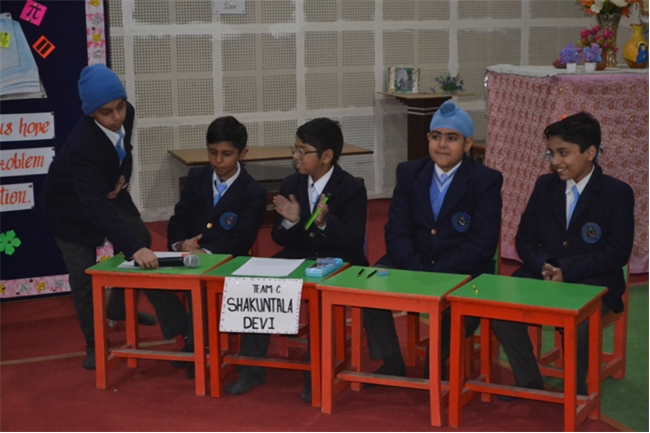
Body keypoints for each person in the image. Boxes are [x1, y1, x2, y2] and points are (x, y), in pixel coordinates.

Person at [42, 64, 187, 370]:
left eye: (120, 107)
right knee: (84, 276)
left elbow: (125, 149)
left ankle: (124, 310)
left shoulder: (126, 113)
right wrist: (133, 249)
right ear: (91, 113)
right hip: (68, 210)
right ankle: (95, 344)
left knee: (142, 239)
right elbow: (94, 207)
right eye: (106, 112)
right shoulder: (82, 145)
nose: (117, 116)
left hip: (106, 190)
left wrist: (122, 177)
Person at [491, 111, 634, 399]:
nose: (555, 161)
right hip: (542, 272)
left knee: (580, 321)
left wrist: (566, 271)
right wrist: (545, 265)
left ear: (590, 153)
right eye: (551, 153)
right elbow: (525, 239)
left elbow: (617, 253)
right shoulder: (544, 186)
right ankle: (529, 379)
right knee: (500, 308)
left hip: (594, 281)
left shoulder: (617, 193)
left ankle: (575, 390)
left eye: (563, 153)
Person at [225, 118, 368, 403]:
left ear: (327, 156)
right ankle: (252, 368)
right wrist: (290, 222)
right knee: (255, 283)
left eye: (303, 151)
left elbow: (352, 240)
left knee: (322, 294)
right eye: (295, 149)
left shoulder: (351, 187)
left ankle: (315, 374)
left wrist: (323, 223)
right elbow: (279, 237)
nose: (295, 156)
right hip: (300, 256)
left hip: (340, 260)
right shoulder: (292, 183)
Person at [362, 100, 503, 382]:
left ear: (467, 143)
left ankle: (437, 361)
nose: (442, 145)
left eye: (452, 138)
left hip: (464, 268)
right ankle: (391, 360)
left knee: (465, 304)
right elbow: (396, 229)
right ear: (428, 139)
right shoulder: (409, 172)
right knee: (370, 288)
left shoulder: (485, 180)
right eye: (436, 137)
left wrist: (440, 273)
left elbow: (483, 242)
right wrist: (416, 268)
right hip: (414, 261)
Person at [166, 115, 267, 378]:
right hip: (189, 254)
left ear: (242, 153)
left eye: (226, 154)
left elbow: (243, 238)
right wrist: (180, 244)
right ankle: (190, 337)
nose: (218, 161)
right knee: (152, 274)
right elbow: (179, 219)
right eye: (212, 153)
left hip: (230, 258)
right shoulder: (196, 177)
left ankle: (202, 346)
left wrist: (206, 253)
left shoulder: (253, 191)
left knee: (201, 278)